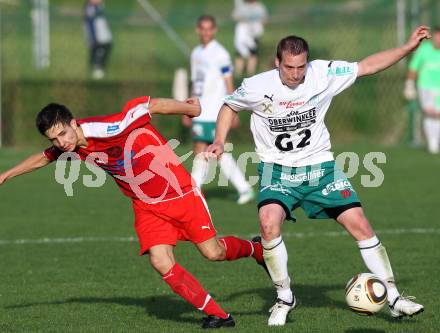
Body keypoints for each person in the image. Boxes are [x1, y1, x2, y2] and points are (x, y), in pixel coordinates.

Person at [207, 26, 430, 326]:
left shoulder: (322, 73)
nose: (296, 74)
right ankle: (284, 297)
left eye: (301, 67)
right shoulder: (257, 85)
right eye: (289, 67)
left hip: (320, 167)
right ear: (277, 62)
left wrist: (407, 48)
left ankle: (392, 296)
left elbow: (367, 65)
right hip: (278, 170)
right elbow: (229, 105)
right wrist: (220, 140)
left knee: (360, 224)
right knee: (268, 225)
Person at [0, 96, 266, 329]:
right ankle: (218, 315)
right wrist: (6, 175)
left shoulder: (107, 127)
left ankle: (257, 250)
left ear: (73, 123)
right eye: (54, 139)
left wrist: (188, 110)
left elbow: (147, 106)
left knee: (213, 252)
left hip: (179, 193)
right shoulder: (67, 146)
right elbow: (43, 157)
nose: (61, 142)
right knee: (161, 261)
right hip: (145, 205)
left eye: (63, 134)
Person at [183, 15, 255, 205]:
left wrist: (234, 109)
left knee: (213, 150)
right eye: (202, 28)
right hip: (200, 110)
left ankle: (197, 191)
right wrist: (187, 108)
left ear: (214, 30)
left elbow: (228, 81)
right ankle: (197, 191)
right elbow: (195, 83)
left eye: (209, 28)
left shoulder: (220, 54)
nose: (206, 32)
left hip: (215, 110)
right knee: (203, 149)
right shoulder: (196, 53)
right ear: (198, 30)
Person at [404, 26, 440, 154]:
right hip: (426, 87)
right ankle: (433, 144)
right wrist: (409, 84)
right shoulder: (424, 50)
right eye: (436, 38)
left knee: (438, 114)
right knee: (431, 113)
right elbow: (413, 67)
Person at [232, 0, 268, 77]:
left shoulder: (259, 6)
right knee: (240, 54)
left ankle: (250, 74)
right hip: (243, 33)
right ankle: (238, 74)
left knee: (253, 53)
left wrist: (257, 26)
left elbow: (264, 18)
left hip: (253, 33)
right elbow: (235, 16)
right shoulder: (242, 6)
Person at [84, 0, 113, 80]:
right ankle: (95, 69)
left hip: (103, 33)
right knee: (96, 49)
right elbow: (89, 23)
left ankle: (100, 67)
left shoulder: (99, 6)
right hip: (97, 34)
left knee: (106, 47)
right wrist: (93, 37)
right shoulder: (90, 8)